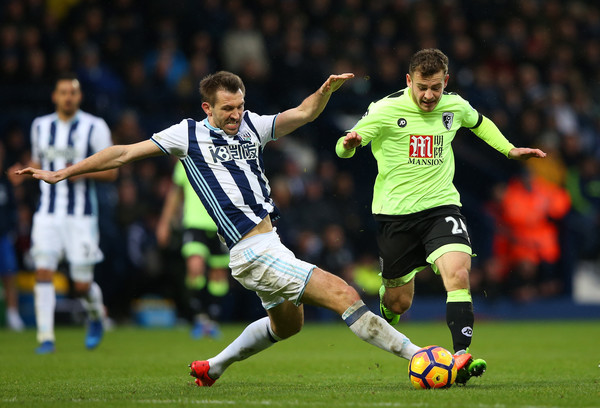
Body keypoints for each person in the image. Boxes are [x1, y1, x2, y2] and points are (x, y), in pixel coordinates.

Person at [16, 70, 454, 386]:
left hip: (269, 243)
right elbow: (122, 154)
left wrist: (322, 93)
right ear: (207, 107)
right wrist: (63, 173)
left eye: (240, 105)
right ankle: (420, 356)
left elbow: (301, 114)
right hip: (251, 249)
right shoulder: (186, 135)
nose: (236, 114)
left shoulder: (250, 126)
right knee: (344, 294)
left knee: (288, 326)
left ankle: (215, 365)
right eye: (227, 109)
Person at [335, 48, 547, 384]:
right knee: (398, 303)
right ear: (409, 81)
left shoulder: (455, 105)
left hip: (441, 207)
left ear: (445, 81)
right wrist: (349, 143)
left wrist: (509, 149)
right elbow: (343, 148)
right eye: (422, 87)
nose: (429, 95)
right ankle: (388, 302)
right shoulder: (385, 109)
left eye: (436, 87)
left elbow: (479, 123)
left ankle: (460, 354)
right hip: (396, 216)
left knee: (459, 273)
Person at [15, 73, 118, 353]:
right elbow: (40, 160)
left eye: (72, 92)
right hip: (47, 214)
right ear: (55, 96)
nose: (68, 97)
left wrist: (79, 172)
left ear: (79, 97)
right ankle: (45, 337)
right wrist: (25, 170)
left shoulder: (94, 127)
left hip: (81, 217)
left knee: (82, 285)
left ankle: (96, 316)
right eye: (63, 92)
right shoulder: (40, 126)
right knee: (43, 270)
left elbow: (112, 171)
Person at [156, 160, 230, 338]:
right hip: (194, 223)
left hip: (221, 223)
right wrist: (164, 223)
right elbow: (175, 194)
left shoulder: (223, 155)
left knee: (218, 274)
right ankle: (200, 317)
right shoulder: (186, 158)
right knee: (195, 266)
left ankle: (212, 319)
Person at [0, 140, 25, 331]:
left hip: (3, 236)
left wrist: (11, 230)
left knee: (9, 274)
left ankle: (12, 314)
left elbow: (12, 209)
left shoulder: (6, 181)